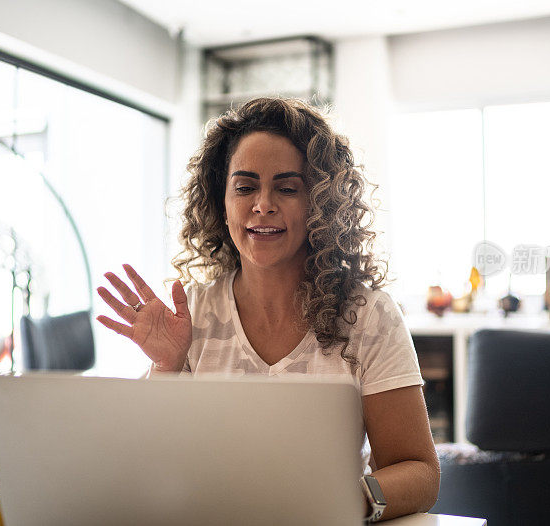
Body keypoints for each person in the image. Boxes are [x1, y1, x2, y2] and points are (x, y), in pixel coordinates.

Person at [96, 97, 440, 521]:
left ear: (319, 203)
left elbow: (420, 472)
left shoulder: (369, 316)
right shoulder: (193, 315)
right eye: (245, 187)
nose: (263, 204)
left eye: (287, 187)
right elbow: (143, 468)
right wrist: (168, 366)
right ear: (221, 204)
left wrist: (343, 502)